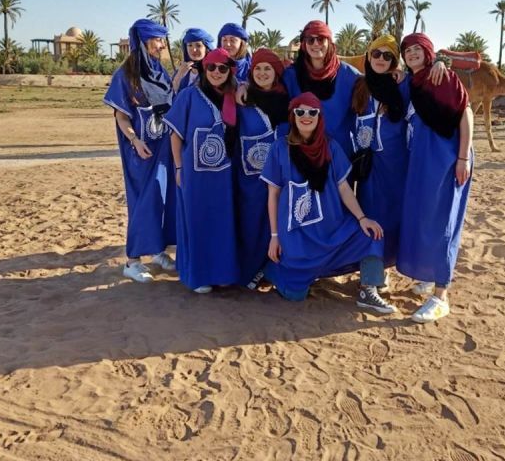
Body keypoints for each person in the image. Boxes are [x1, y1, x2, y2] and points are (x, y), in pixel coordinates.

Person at [261, 92, 396, 313]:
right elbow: (273, 194)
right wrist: (275, 237)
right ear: (292, 116)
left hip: (332, 230)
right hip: (298, 238)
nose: (306, 116)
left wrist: (362, 218)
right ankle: (274, 272)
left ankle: (368, 290)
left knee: (371, 234)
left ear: (319, 116)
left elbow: (344, 188)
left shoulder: (331, 147)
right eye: (300, 111)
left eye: (312, 112)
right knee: (295, 296)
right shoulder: (279, 148)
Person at [398, 32, 474, 323]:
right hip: (421, 160)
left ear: (428, 53)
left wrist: (463, 157)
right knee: (424, 218)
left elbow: (465, 114)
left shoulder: (442, 77)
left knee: (444, 222)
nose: (412, 54)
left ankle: (441, 295)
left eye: (418, 49)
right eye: (408, 51)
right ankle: (431, 276)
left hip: (446, 158)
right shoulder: (412, 83)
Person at [103, 19, 177, 282]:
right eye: (157, 40)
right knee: (143, 201)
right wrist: (134, 140)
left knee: (164, 199)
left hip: (164, 147)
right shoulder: (125, 75)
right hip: (141, 152)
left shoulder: (160, 71)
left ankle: (158, 252)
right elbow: (121, 116)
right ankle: (132, 260)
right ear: (144, 41)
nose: (161, 45)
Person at [164, 48, 240, 293]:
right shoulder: (189, 96)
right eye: (211, 67)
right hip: (195, 175)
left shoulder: (234, 97)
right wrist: (178, 166)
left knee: (222, 222)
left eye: (222, 68)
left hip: (225, 175)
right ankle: (199, 275)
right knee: (197, 220)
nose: (217, 72)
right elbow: (175, 134)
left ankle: (222, 272)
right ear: (204, 70)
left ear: (229, 71)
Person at [350, 34, 410, 269]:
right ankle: (371, 272)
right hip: (368, 167)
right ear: (368, 55)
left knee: (394, 216)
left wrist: (439, 64)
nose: (381, 59)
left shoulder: (403, 85)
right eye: (376, 53)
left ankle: (386, 267)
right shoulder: (359, 85)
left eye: (388, 55)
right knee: (371, 215)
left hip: (396, 164)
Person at [235, 48, 291, 288]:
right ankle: (251, 270)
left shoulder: (286, 98)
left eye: (267, 68)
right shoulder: (244, 99)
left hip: (280, 173)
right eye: (257, 68)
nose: (262, 73)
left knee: (277, 221)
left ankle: (273, 270)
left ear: (276, 72)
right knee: (251, 221)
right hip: (249, 175)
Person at [281, 20, 361, 155]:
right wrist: (245, 86)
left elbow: (372, 92)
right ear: (303, 44)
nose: (316, 44)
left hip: (339, 155)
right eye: (310, 40)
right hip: (302, 154)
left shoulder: (350, 76)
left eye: (320, 39)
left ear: (329, 42)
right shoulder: (291, 75)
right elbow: (267, 89)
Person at [172, 28, 215, 92]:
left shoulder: (214, 72)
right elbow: (170, 96)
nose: (194, 50)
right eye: (190, 45)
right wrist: (178, 77)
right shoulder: (180, 71)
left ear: (206, 48)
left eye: (198, 45)